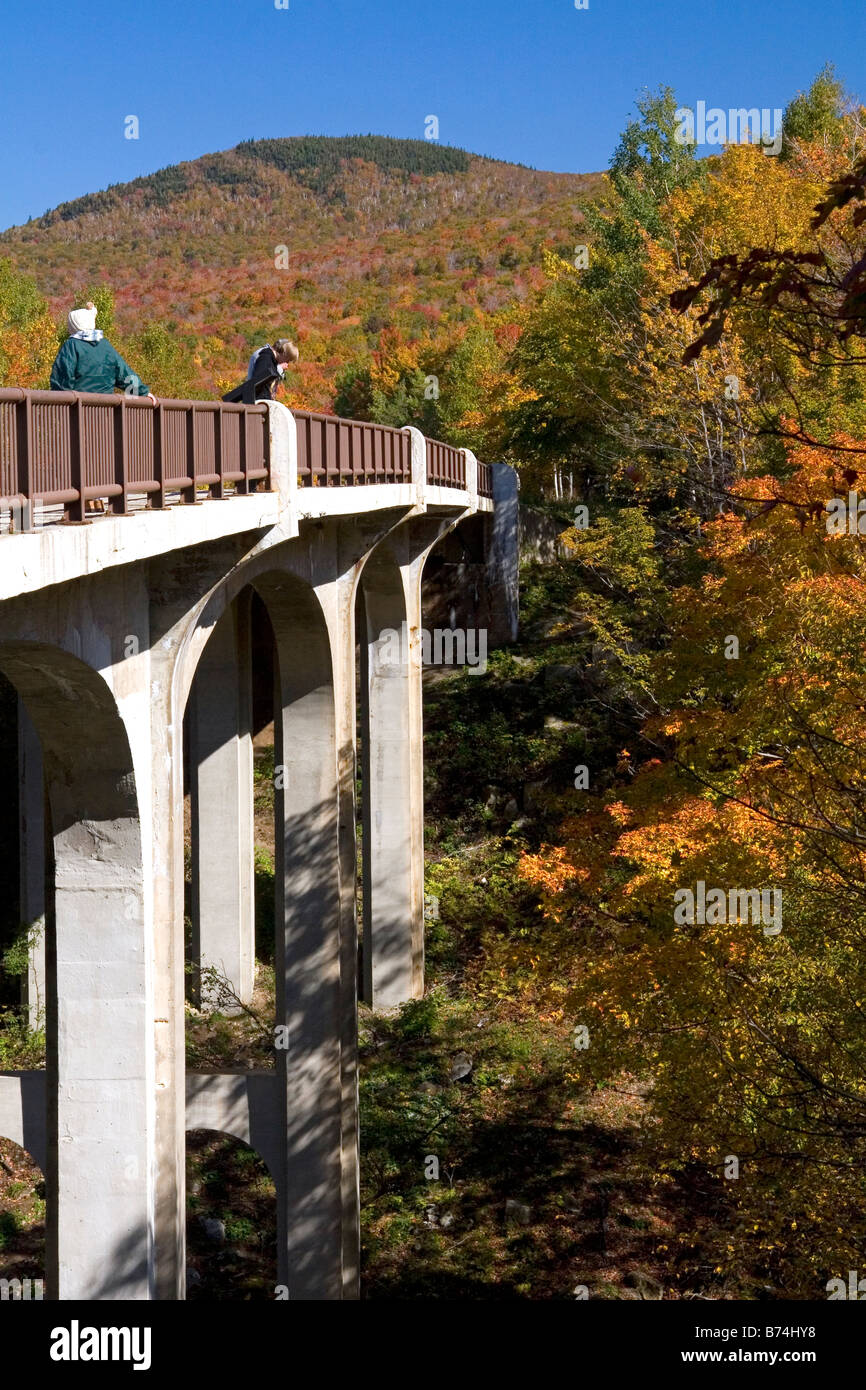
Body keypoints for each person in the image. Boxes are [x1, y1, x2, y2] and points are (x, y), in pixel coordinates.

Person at [50, 303, 157, 403]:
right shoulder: (106, 346)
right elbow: (124, 373)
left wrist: (60, 402)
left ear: (73, 325)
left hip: (78, 410)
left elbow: (62, 378)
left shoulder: (72, 345)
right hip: (105, 411)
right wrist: (143, 392)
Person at [221, 337, 299, 404]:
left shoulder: (269, 357)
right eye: (288, 359)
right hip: (257, 402)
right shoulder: (265, 357)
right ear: (283, 354)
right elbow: (259, 380)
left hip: (258, 401)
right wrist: (278, 369)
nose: (287, 363)